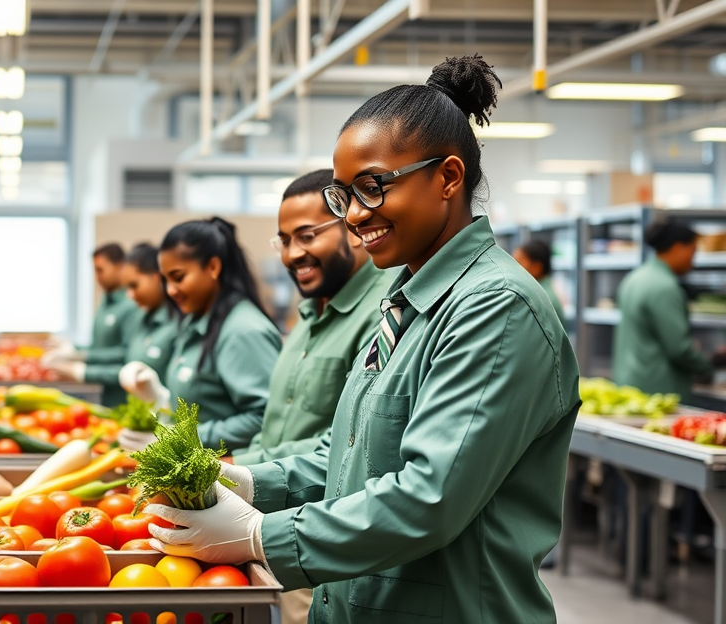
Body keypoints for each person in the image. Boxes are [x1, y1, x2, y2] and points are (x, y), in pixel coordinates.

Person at [145, 55, 580, 624]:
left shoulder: (496, 309)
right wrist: (251, 479)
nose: (352, 215)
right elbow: (349, 453)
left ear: (448, 178)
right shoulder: (405, 303)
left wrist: (259, 537)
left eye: (371, 188)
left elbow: (430, 498)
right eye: (342, 194)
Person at [230, 169, 399, 467]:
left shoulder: (385, 312)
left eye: (307, 236)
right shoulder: (309, 313)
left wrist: (239, 470)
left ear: (352, 228)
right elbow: (272, 432)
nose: (292, 254)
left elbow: (351, 442)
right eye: (284, 241)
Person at [121, 217, 282, 453]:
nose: (171, 290)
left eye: (179, 277)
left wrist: (181, 439)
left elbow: (265, 418)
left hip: (230, 477)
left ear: (213, 268)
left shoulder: (242, 331)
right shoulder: (196, 322)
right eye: (165, 280)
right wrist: (157, 396)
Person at [613, 222, 726, 399]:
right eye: (693, 251)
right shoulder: (666, 287)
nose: (693, 259)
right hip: (658, 389)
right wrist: (708, 368)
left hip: (631, 382)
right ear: (678, 247)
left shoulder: (634, 278)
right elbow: (679, 347)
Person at [47, 243, 141, 407]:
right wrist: (73, 349)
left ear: (119, 267)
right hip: (105, 393)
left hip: (124, 397)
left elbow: (127, 353)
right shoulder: (106, 302)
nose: (97, 276)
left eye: (100, 270)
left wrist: (82, 363)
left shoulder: (131, 306)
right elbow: (99, 346)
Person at [514, 239, 566, 329]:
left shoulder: (540, 299)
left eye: (518, 262)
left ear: (536, 268)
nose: (513, 267)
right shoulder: (542, 291)